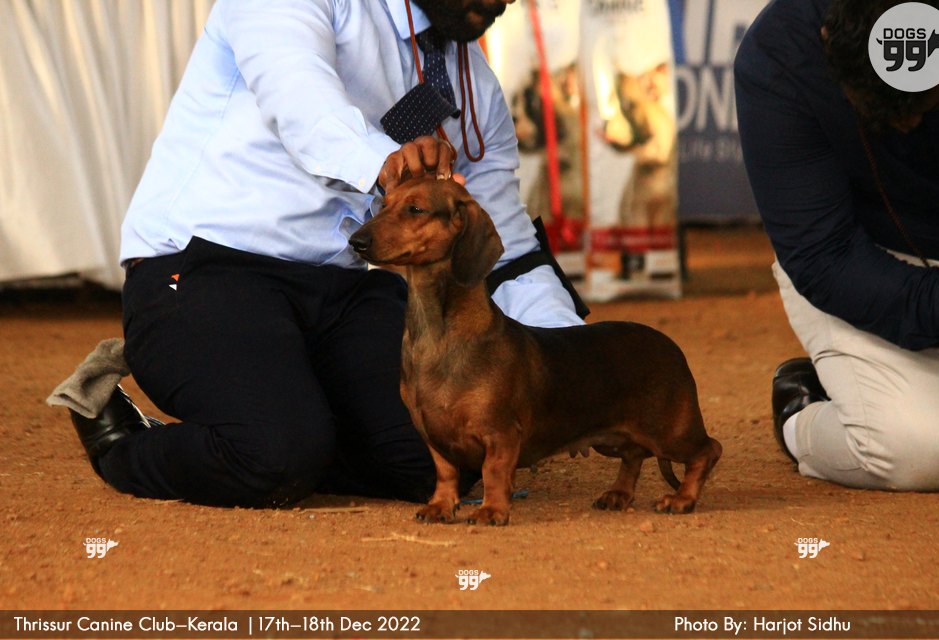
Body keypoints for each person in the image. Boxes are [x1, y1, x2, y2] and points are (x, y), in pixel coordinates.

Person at [69, 0, 585, 508]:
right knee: (274, 455)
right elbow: (304, 106)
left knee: (449, 450)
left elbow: (504, 250)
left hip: (341, 288)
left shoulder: (474, 85)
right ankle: (125, 445)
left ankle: (289, 434)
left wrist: (576, 368)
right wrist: (385, 162)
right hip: (204, 267)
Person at [735, 0, 939, 491]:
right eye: (881, 108)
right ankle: (803, 411)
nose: (907, 124)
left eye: (923, 102)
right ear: (829, 42)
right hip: (867, 260)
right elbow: (825, 258)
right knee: (919, 447)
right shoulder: (781, 51)